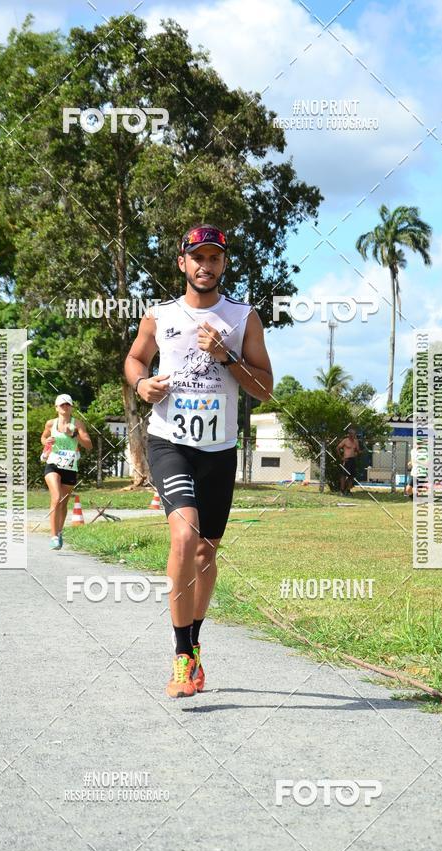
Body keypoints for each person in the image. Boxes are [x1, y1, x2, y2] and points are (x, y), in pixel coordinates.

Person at [125, 224, 273, 698]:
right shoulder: (159, 315)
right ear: (182, 263)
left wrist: (226, 356)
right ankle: (180, 654)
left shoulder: (243, 318)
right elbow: (134, 360)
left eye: (214, 258)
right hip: (169, 441)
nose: (205, 266)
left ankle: (195, 644)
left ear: (223, 264)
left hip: (219, 450)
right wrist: (141, 384)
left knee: (206, 551)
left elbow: (265, 388)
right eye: (197, 258)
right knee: (184, 534)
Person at [41, 394, 92, 550]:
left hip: (69, 467)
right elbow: (43, 438)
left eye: (67, 405)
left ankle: (60, 531)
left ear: (71, 407)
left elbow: (89, 445)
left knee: (63, 503)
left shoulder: (77, 424)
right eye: (61, 405)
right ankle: (54, 536)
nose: (65, 407)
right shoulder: (51, 424)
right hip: (53, 464)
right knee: (56, 498)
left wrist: (75, 435)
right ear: (56, 407)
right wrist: (47, 441)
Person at [337, 427, 360, 495]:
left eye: (354, 434)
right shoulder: (345, 440)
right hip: (346, 459)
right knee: (343, 475)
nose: (354, 435)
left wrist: (358, 452)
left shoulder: (356, 441)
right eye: (352, 434)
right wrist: (341, 457)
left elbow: (357, 451)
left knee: (351, 476)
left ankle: (348, 490)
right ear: (349, 434)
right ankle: (342, 490)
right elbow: (338, 448)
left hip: (353, 460)